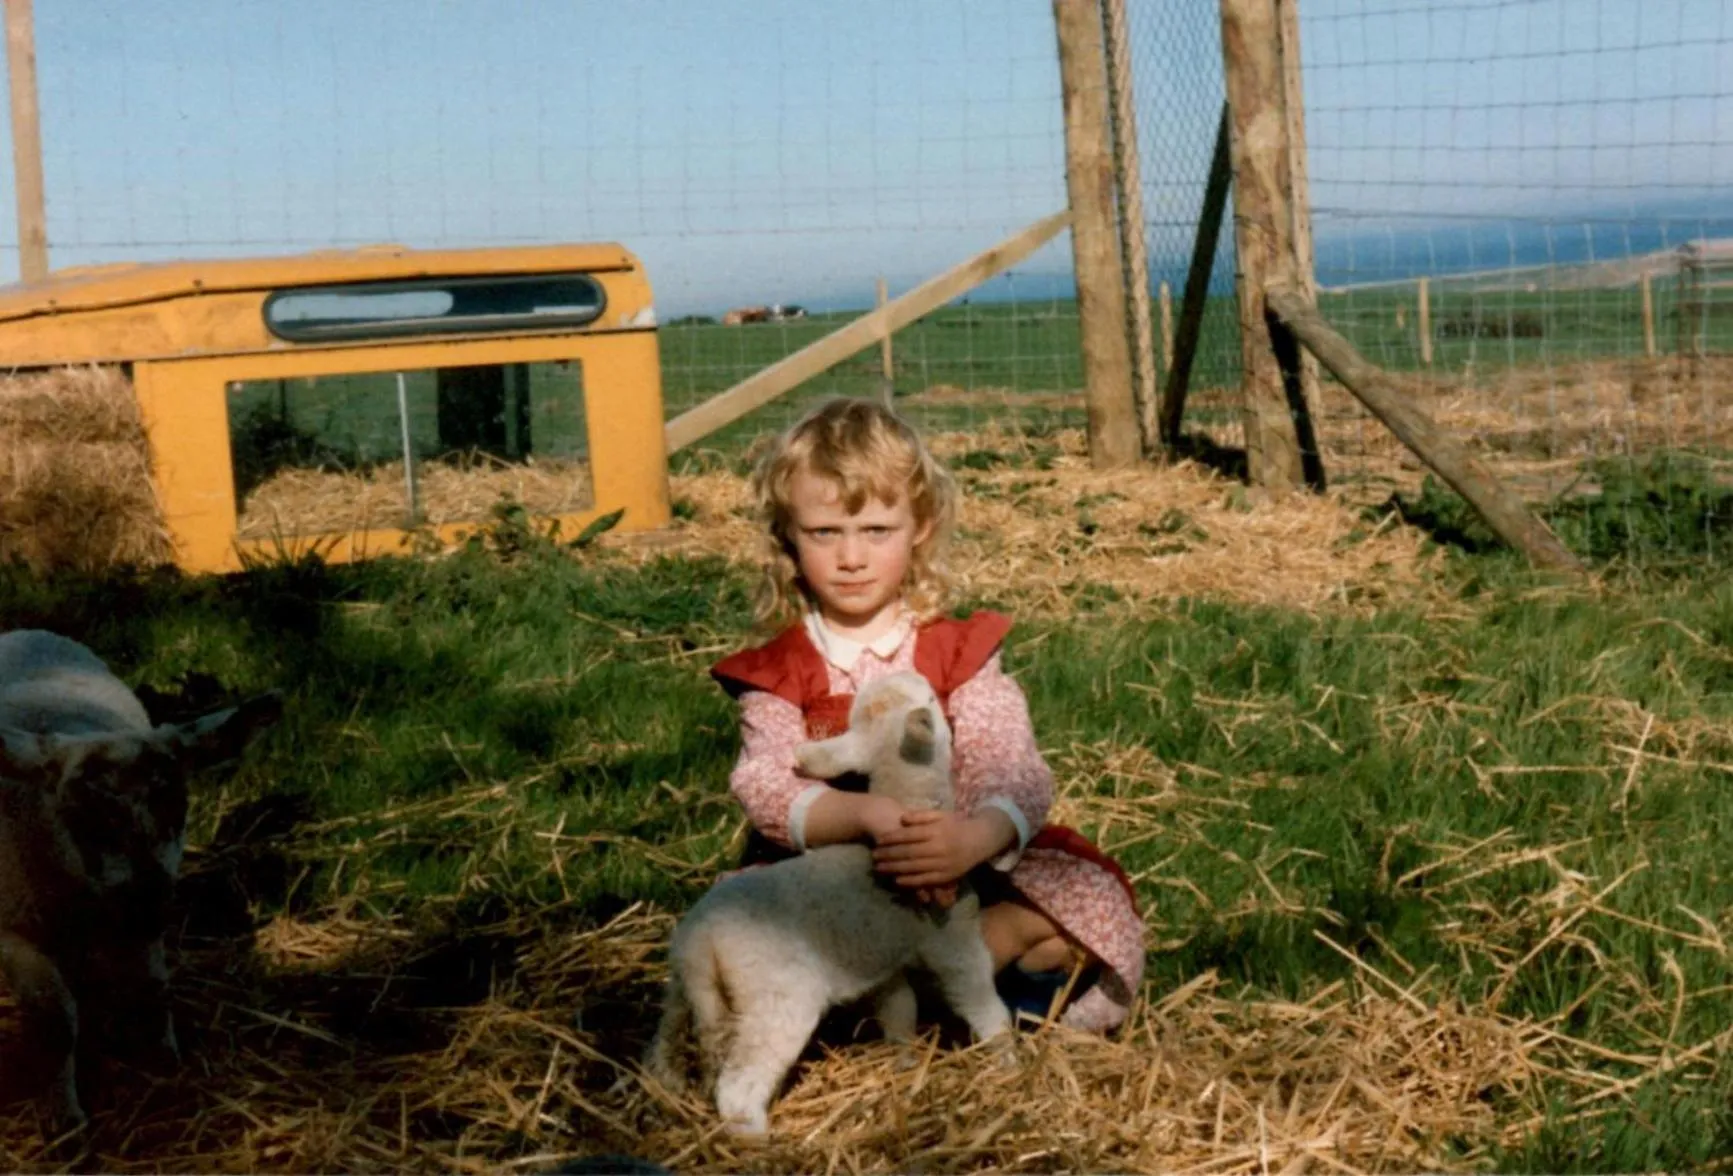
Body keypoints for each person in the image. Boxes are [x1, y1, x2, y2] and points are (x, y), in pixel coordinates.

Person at [709, 397, 1144, 1033]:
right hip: (830, 886)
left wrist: (969, 841)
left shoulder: (956, 652)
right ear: (789, 536)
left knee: (1080, 902)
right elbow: (765, 783)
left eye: (876, 531)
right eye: (825, 532)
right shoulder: (781, 670)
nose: (851, 557)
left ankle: (941, 994)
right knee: (742, 936)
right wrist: (863, 817)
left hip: (959, 875)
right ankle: (898, 1001)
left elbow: (1011, 764)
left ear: (920, 527)